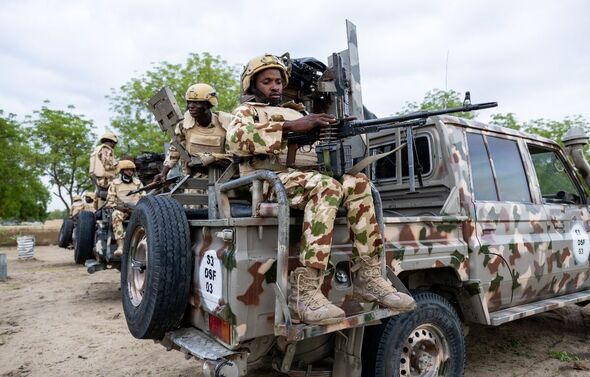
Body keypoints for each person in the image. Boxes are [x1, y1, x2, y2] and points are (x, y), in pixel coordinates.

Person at [226, 54, 415, 325]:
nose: (275, 86)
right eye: (267, 81)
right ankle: (304, 293)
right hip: (269, 182)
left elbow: (317, 147)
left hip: (307, 178)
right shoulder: (247, 112)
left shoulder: (299, 110)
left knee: (359, 182)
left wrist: (333, 128)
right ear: (252, 85)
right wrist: (290, 127)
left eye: (278, 81)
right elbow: (236, 140)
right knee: (326, 187)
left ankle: (369, 277)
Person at [153, 83, 232, 182]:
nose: (191, 106)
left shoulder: (225, 124)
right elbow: (175, 149)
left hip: (222, 179)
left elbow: (234, 155)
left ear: (208, 104)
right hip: (194, 180)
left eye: (197, 103)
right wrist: (163, 173)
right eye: (189, 102)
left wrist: (213, 158)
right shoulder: (184, 125)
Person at [106, 160, 145, 256]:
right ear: (121, 171)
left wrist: (137, 208)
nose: (130, 172)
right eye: (127, 170)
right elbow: (110, 201)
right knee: (115, 215)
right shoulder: (115, 183)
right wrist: (121, 208)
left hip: (136, 209)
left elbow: (144, 198)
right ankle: (120, 246)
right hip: (121, 209)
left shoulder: (138, 183)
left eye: (131, 170)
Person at [89, 132, 119, 202]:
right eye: (114, 143)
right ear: (112, 142)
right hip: (105, 179)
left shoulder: (97, 149)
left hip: (97, 178)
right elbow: (107, 164)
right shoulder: (106, 150)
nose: (114, 145)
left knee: (100, 198)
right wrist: (118, 164)